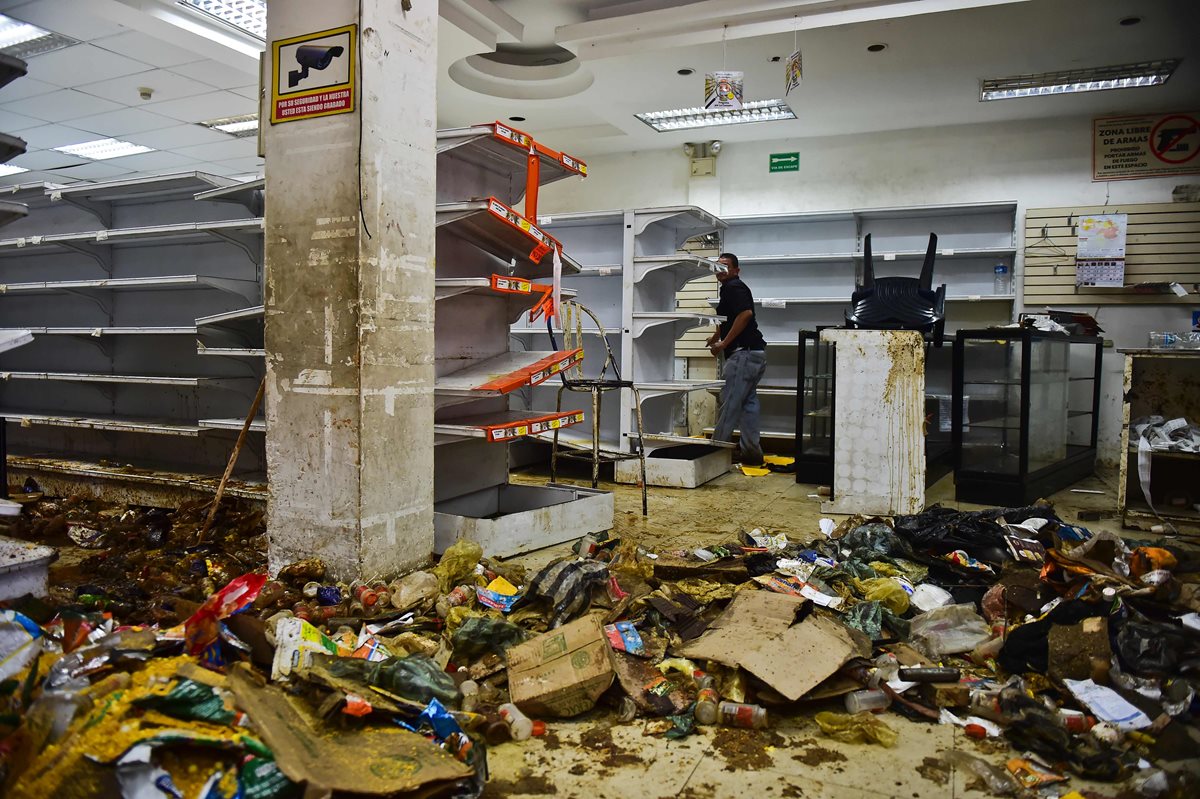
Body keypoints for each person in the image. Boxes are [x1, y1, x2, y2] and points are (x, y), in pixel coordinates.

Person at [707, 252, 767, 466]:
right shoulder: (729, 289)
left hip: (743, 354)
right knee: (747, 404)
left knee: (730, 403)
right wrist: (716, 337)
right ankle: (752, 454)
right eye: (717, 267)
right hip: (754, 353)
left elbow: (745, 314)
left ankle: (714, 455)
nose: (720, 271)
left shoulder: (734, 287)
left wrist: (723, 344)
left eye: (724, 267)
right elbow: (729, 318)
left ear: (735, 270)